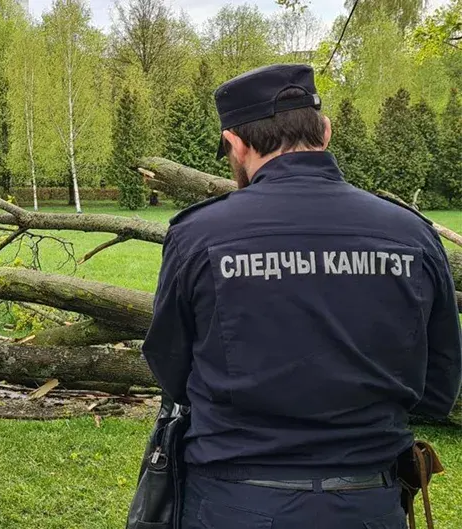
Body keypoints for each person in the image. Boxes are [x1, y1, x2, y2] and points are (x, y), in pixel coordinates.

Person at [142, 64, 462, 529]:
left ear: (236, 143)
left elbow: (171, 368)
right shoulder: (411, 233)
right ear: (325, 132)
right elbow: (439, 387)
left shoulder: (199, 233)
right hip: (368, 500)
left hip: (232, 501)